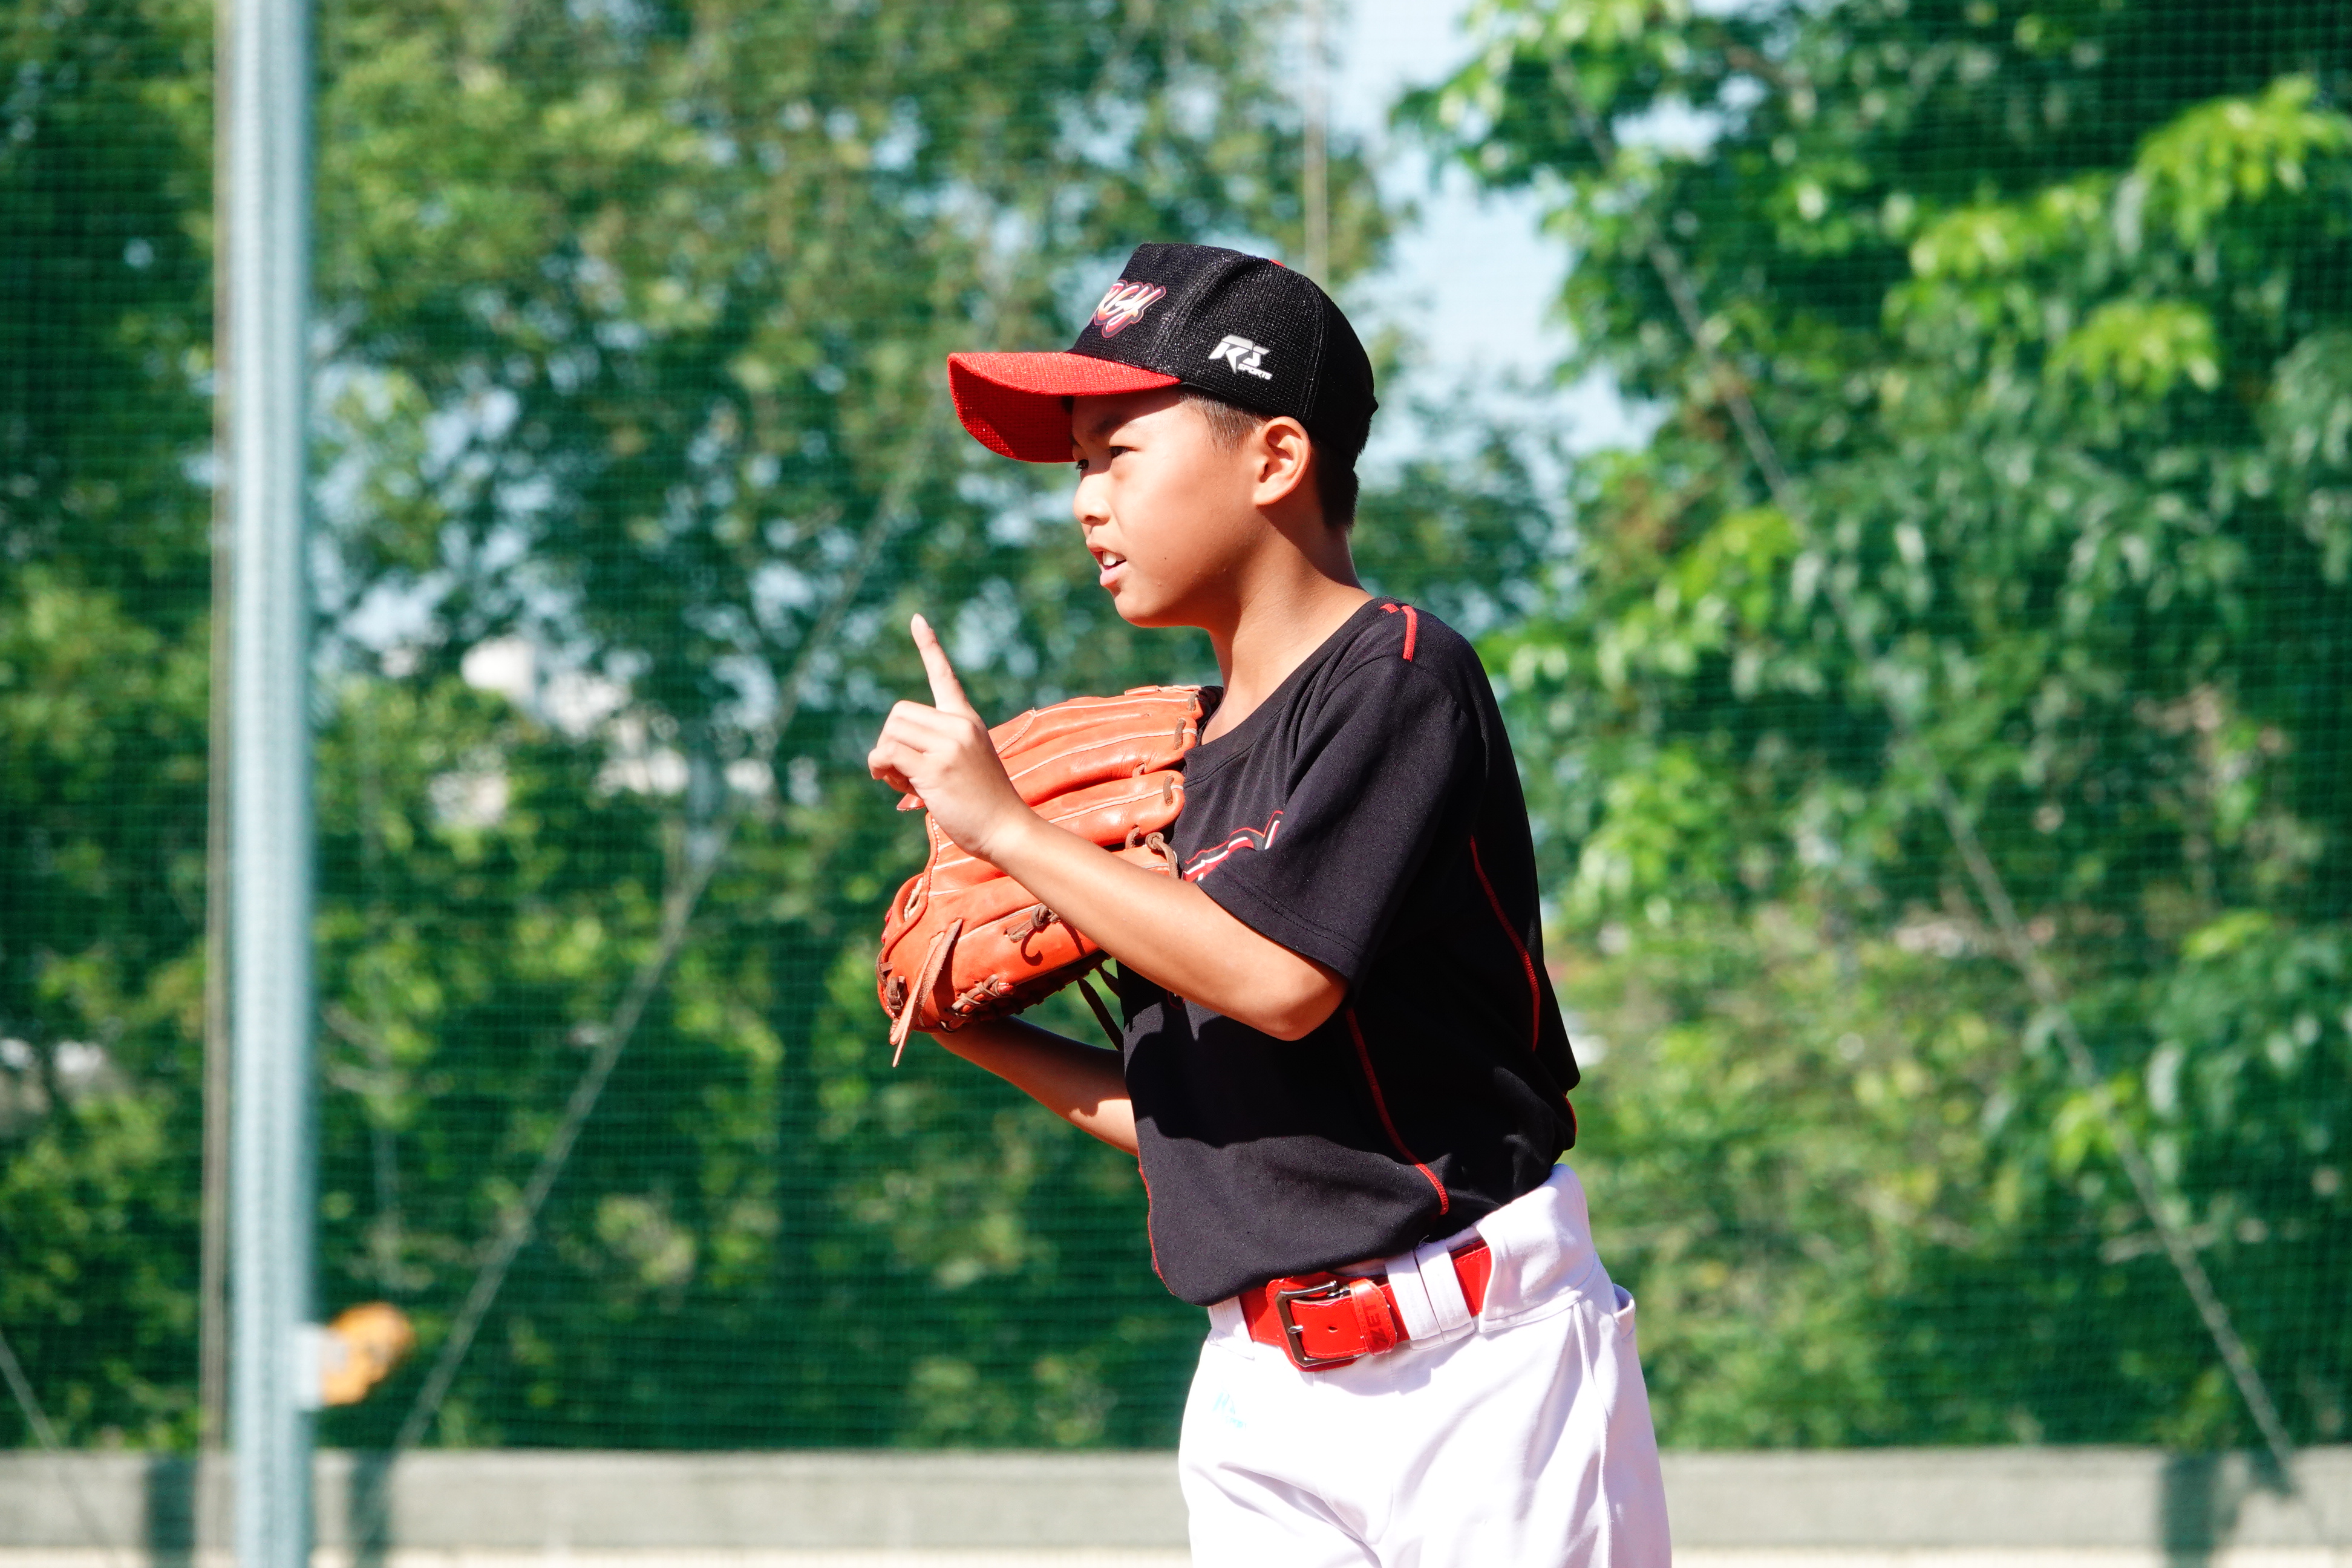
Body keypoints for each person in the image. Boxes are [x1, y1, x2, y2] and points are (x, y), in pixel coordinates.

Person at [867, 242, 1670, 1566]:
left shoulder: (1397, 675)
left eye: (1118, 453)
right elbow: (1207, 1129)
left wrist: (1008, 827)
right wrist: (967, 1029)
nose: (1085, 502)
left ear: (1276, 458)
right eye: (1078, 467)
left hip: (1475, 1374)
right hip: (1258, 1395)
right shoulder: (1179, 762)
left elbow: (1281, 984)